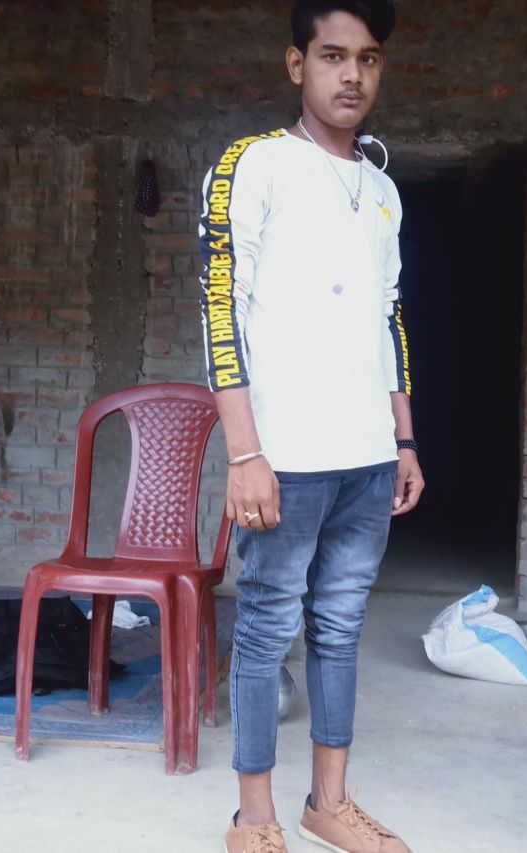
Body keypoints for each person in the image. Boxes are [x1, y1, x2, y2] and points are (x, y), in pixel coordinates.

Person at [198, 1, 424, 850]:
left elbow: (388, 317)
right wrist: (244, 452)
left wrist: (403, 439)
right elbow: (221, 307)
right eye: (333, 55)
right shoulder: (255, 164)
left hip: (367, 457)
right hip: (283, 456)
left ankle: (328, 801)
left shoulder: (383, 189)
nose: (352, 74)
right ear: (298, 64)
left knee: (340, 626)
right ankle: (253, 818)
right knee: (265, 630)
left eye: (367, 58)